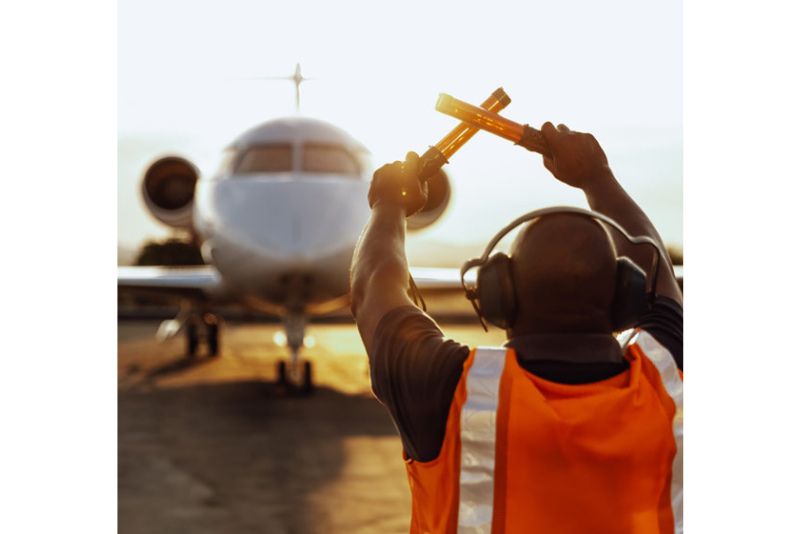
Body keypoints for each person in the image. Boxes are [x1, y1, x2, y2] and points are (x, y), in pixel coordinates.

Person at [349, 122, 684, 534]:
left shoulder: (449, 390)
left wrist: (388, 203)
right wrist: (597, 174)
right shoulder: (666, 379)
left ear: (497, 295)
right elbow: (659, 276)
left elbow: (373, 285)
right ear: (625, 296)